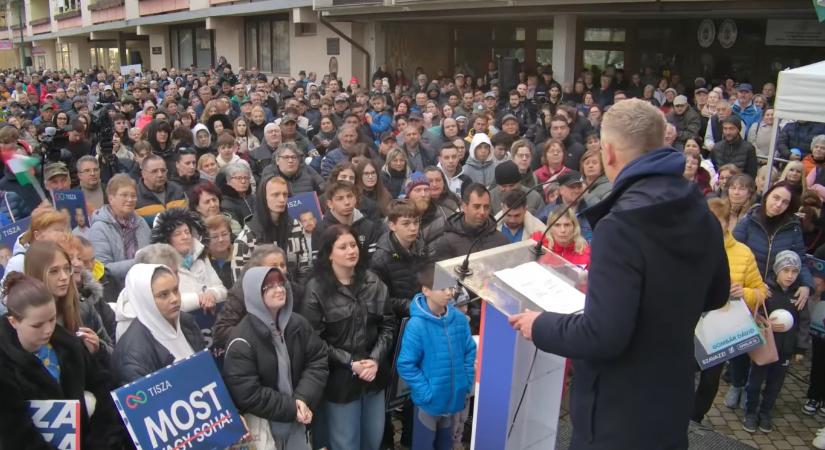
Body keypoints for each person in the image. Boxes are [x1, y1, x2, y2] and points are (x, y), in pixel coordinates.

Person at [508, 99, 730, 450]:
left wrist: (540, 325)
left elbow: (603, 336)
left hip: (618, 414)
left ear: (608, 153)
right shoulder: (698, 207)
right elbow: (716, 292)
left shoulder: (620, 225)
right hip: (671, 395)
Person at [0, 273, 122, 449]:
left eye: (51, 319)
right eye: (37, 325)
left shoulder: (69, 345)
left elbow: (106, 388)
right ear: (13, 322)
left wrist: (100, 440)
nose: (48, 330)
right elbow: (17, 436)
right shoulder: (5, 367)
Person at [301, 224, 396, 450]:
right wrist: (350, 363)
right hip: (340, 380)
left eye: (353, 245)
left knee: (373, 438)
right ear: (329, 253)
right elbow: (313, 339)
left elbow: (388, 325)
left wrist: (374, 359)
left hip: (373, 375)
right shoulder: (316, 289)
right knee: (346, 443)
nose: (351, 251)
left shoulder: (374, 282)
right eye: (342, 247)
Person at [728, 181, 815, 408]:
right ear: (767, 196)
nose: (779, 205)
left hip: (776, 293)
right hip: (750, 291)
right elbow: (734, 252)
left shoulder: (792, 227)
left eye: (785, 202)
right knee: (742, 342)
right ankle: (736, 384)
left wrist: (806, 284)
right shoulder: (749, 221)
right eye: (776, 198)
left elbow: (801, 260)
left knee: (766, 343)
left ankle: (752, 389)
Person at [222, 266, 328, 450]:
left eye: (281, 283)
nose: (279, 289)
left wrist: (303, 397)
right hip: (265, 427)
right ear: (255, 294)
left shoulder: (298, 324)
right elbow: (249, 393)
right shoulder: (241, 340)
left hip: (297, 418)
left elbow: (317, 359)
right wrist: (293, 407)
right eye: (269, 287)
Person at [691, 198, 767, 424]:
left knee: (710, 379)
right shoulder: (688, 247)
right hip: (690, 324)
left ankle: (696, 418)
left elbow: (761, 291)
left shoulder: (743, 253)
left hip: (721, 328)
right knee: (681, 373)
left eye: (719, 220)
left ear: (727, 222)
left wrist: (744, 292)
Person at [396, 268, 476, 450]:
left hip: (454, 399)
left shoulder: (458, 319)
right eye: (442, 289)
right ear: (426, 290)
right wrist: (427, 392)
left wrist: (465, 382)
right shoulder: (417, 325)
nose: (449, 293)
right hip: (429, 404)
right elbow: (406, 364)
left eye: (451, 287)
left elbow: (469, 352)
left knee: (445, 445)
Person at [743, 250, 810, 433]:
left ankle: (765, 413)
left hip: (785, 350)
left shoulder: (798, 295)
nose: (790, 275)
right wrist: (765, 324)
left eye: (794, 271)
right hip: (764, 348)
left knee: (774, 385)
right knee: (755, 381)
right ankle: (750, 413)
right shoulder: (766, 291)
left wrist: (800, 349)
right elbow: (754, 314)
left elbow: (804, 323)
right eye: (785, 270)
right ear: (777, 270)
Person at [113, 264, 206, 383]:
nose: (174, 299)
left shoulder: (187, 322)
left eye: (175, 290)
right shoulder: (132, 355)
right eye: (163, 295)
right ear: (146, 299)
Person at [25, 240, 112, 355]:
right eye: (54, 271)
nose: (64, 277)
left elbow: (112, 353)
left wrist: (98, 348)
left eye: (66, 268)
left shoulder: (83, 307)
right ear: (37, 274)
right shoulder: (24, 320)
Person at [233, 176, 311, 282]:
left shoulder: (296, 227)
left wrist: (297, 291)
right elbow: (241, 283)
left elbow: (305, 268)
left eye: (285, 194)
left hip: (296, 293)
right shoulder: (246, 239)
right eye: (276, 195)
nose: (282, 199)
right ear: (263, 197)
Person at [150, 208, 227, 314]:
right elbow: (165, 303)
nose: (185, 237)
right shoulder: (161, 267)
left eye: (187, 232)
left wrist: (212, 294)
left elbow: (221, 289)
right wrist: (199, 299)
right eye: (178, 234)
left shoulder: (201, 257)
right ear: (167, 240)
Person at [88, 174, 152, 284]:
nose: (130, 199)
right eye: (124, 195)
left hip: (144, 283)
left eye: (133, 195)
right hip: (116, 289)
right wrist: (139, 263)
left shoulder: (141, 222)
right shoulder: (99, 228)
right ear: (111, 198)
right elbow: (103, 270)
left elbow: (151, 253)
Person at [135, 154, 189, 225]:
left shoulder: (178, 190)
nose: (160, 175)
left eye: (163, 170)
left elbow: (188, 219)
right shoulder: (134, 197)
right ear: (143, 174)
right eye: (154, 171)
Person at [217, 162, 255, 227]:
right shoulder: (226, 205)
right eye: (239, 178)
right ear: (228, 181)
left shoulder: (254, 198)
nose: (243, 181)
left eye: (246, 178)